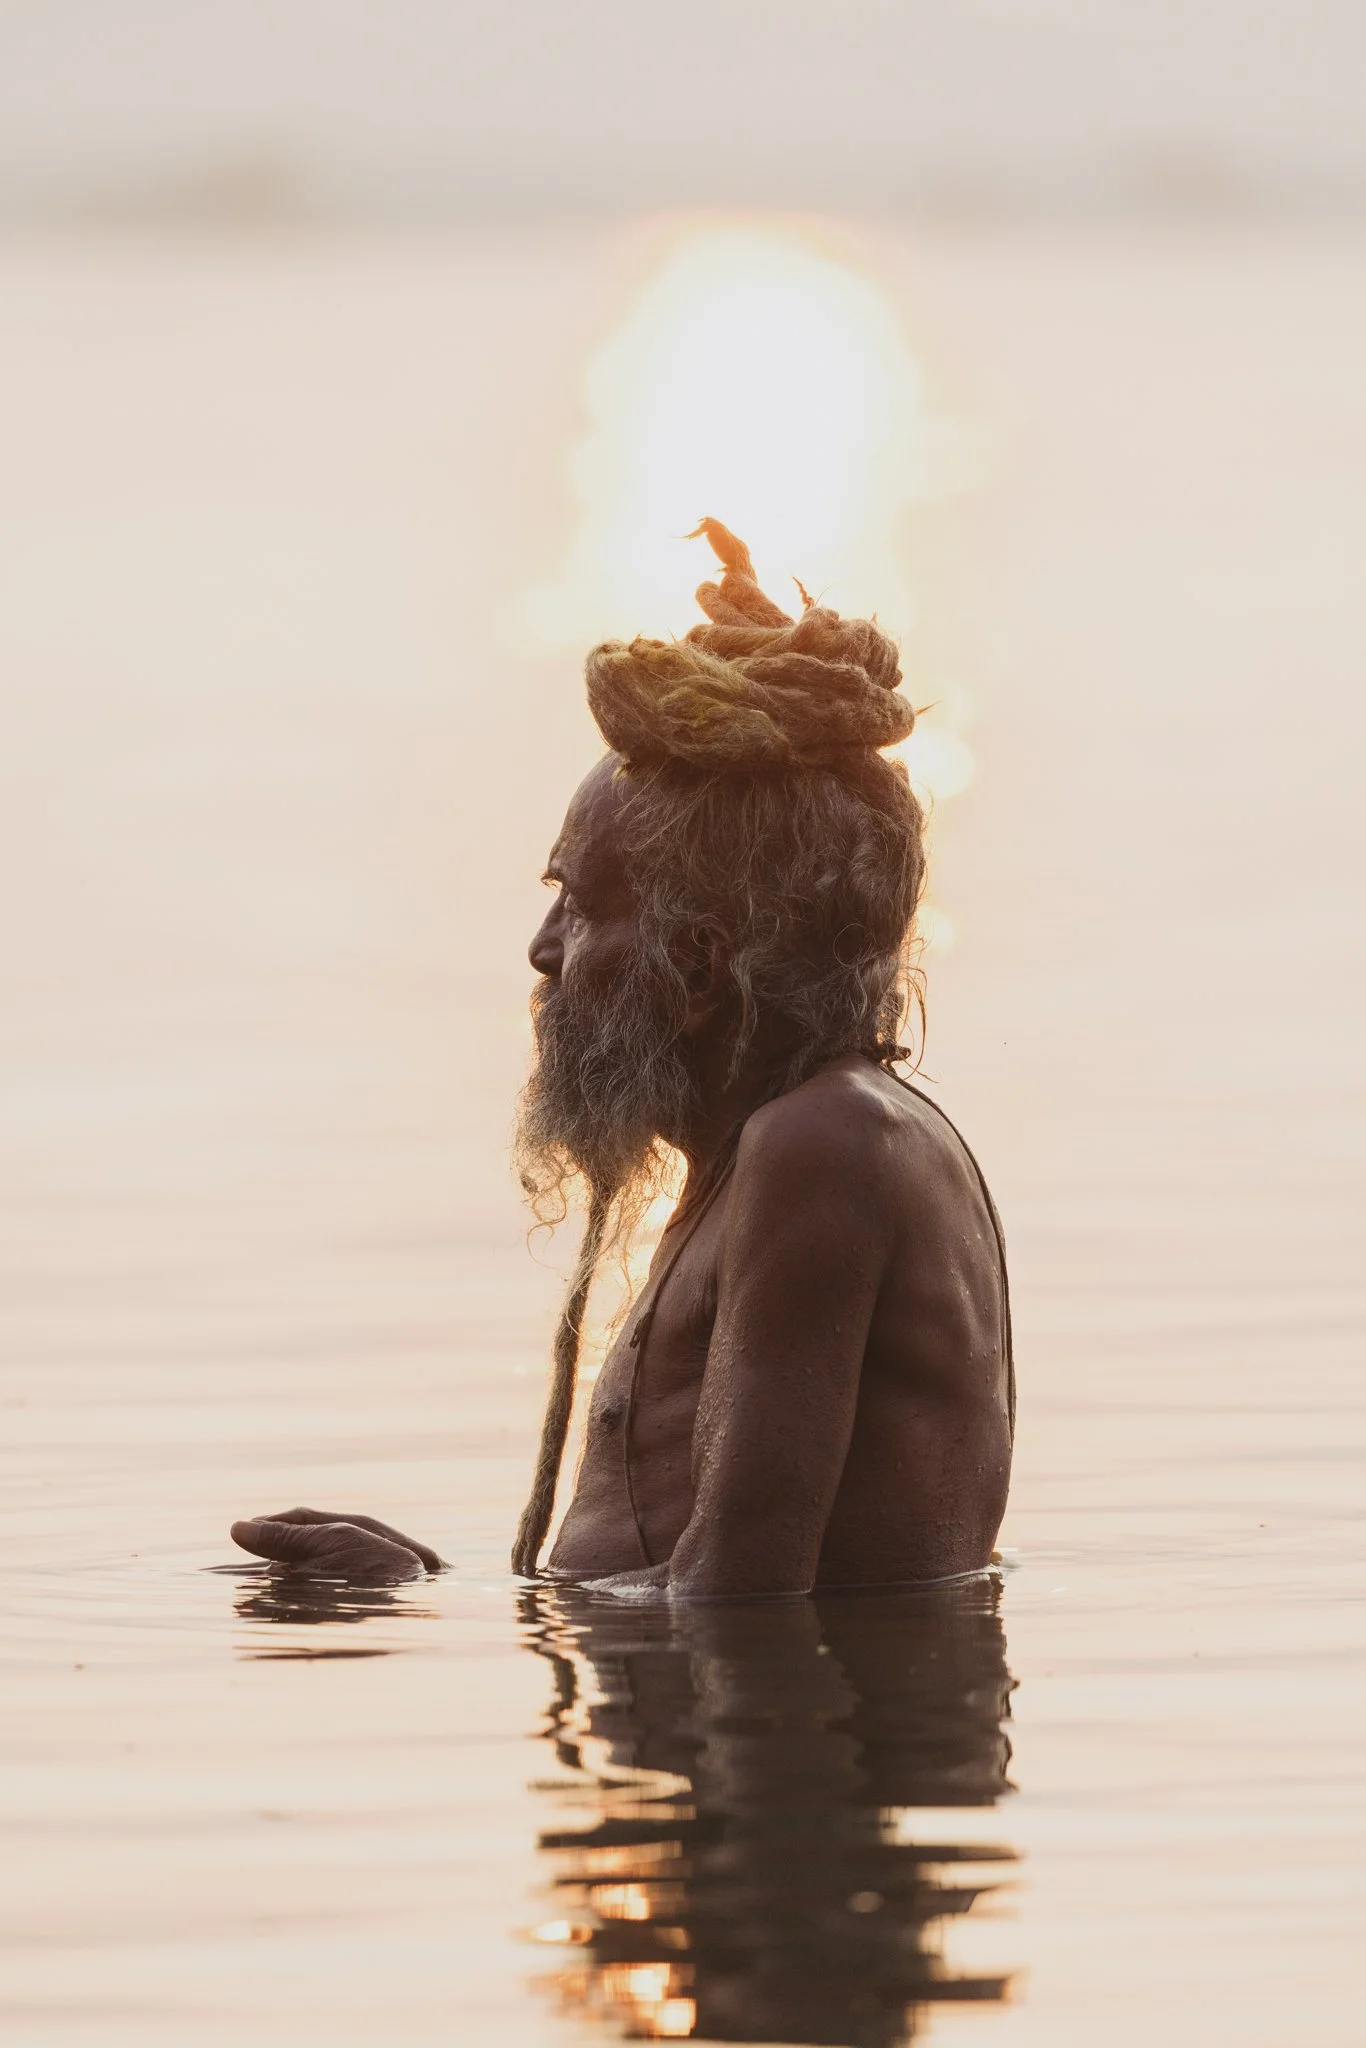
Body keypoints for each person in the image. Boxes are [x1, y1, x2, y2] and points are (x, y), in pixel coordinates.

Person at [231, 520, 1014, 1595]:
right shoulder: (767, 1154)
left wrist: (426, 1611)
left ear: (696, 968)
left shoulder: (824, 1143)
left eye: (577, 902)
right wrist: (433, 1578)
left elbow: (740, 1603)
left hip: (790, 1767)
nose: (542, 950)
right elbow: (698, 1579)